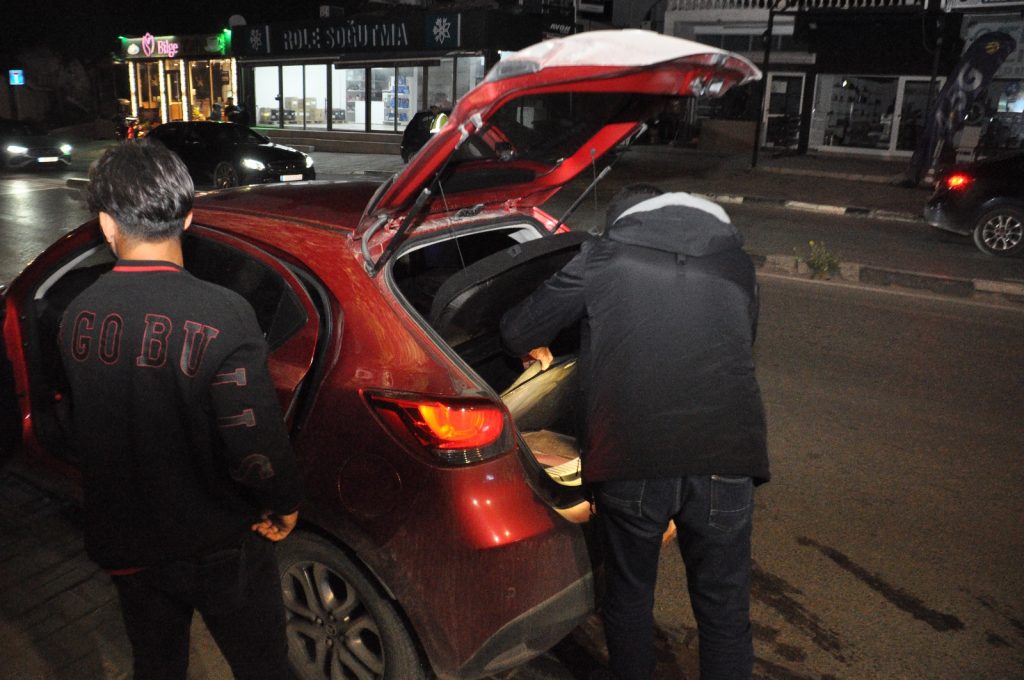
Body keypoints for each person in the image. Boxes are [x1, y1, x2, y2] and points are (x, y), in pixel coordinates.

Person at [500, 185, 769, 680]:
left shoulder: (601, 258)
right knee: (725, 614)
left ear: (625, 222)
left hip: (634, 456)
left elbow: (519, 330)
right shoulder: (738, 266)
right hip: (729, 456)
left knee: (630, 599)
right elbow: (738, 342)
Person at [59, 139, 303, 680]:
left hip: (130, 545)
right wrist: (283, 501)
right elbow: (252, 437)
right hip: (217, 543)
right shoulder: (224, 313)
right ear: (188, 217)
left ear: (106, 224)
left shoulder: (77, 314)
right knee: (263, 666)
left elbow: (93, 425)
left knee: (157, 664)